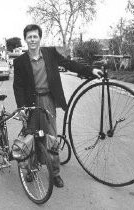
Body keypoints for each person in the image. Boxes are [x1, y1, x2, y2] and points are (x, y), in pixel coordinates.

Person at [13, 24, 103, 188]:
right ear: (25, 39)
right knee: (31, 138)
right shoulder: (20, 61)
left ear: (40, 38)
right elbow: (17, 86)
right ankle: (31, 169)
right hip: (30, 104)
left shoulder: (50, 53)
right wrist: (21, 107)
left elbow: (69, 64)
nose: (32, 40)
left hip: (48, 101)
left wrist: (91, 71)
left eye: (35, 36)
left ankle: (55, 174)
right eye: (29, 37)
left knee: (51, 138)